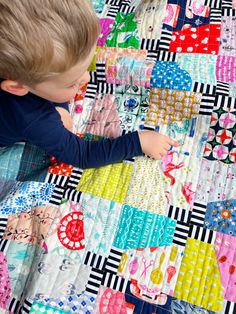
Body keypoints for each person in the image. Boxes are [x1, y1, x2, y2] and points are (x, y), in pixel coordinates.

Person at [0, 0, 178, 169]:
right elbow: (82, 155)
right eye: (70, 84)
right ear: (16, 87)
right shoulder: (35, 120)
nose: (86, 78)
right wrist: (138, 142)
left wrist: (60, 104)